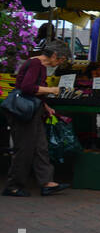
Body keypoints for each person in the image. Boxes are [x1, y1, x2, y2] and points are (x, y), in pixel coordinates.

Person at [2, 40, 72, 197]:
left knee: (41, 147)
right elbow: (27, 87)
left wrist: (45, 106)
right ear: (54, 55)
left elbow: (33, 91)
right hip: (22, 112)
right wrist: (52, 89)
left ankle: (46, 182)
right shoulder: (35, 64)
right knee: (24, 149)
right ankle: (13, 185)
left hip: (33, 111)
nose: (60, 63)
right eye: (60, 59)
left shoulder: (41, 66)